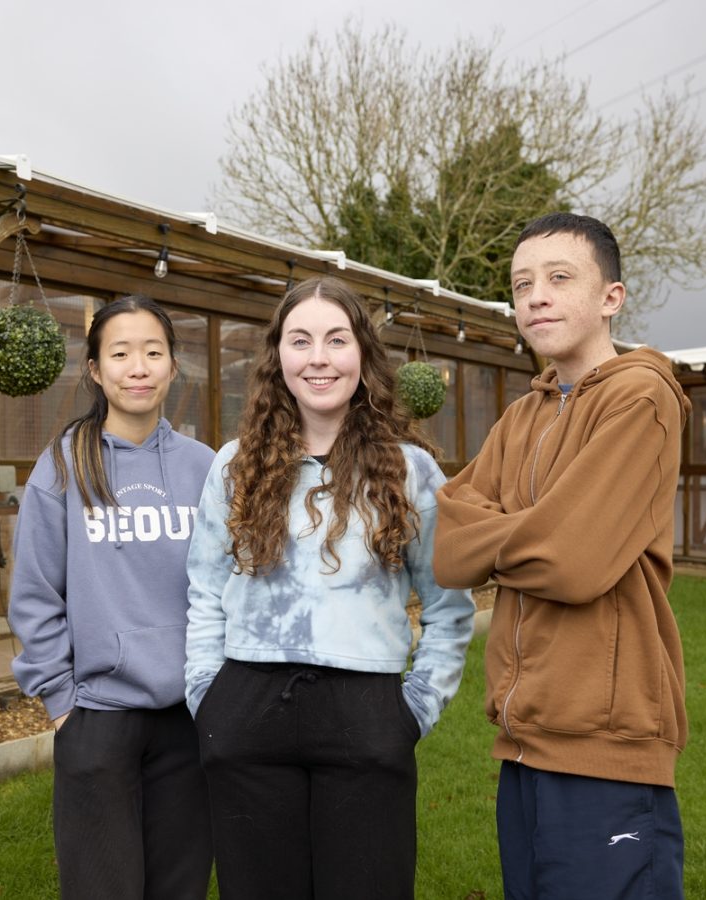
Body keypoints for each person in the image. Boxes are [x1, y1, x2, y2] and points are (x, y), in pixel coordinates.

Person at [185, 276, 475, 900]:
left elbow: (451, 606)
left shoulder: (409, 470)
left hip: (367, 716)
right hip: (245, 712)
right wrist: (207, 697)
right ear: (278, 358)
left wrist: (414, 709)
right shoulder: (235, 466)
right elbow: (204, 592)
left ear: (363, 356)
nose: (319, 357)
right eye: (301, 340)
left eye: (336, 339)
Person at [433, 212, 691, 899]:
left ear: (612, 297)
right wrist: (537, 530)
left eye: (558, 278)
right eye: (521, 285)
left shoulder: (642, 397)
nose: (535, 297)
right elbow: (449, 547)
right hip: (524, 739)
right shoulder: (524, 415)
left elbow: (573, 564)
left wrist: (510, 534)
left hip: (606, 745)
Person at [7, 295, 214, 900]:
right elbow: (35, 592)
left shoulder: (206, 468)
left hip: (190, 716)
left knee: (180, 888)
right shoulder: (65, 465)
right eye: (120, 353)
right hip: (97, 717)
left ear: (174, 366)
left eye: (153, 351)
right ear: (96, 370)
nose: (139, 366)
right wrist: (63, 701)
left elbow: (233, 583)